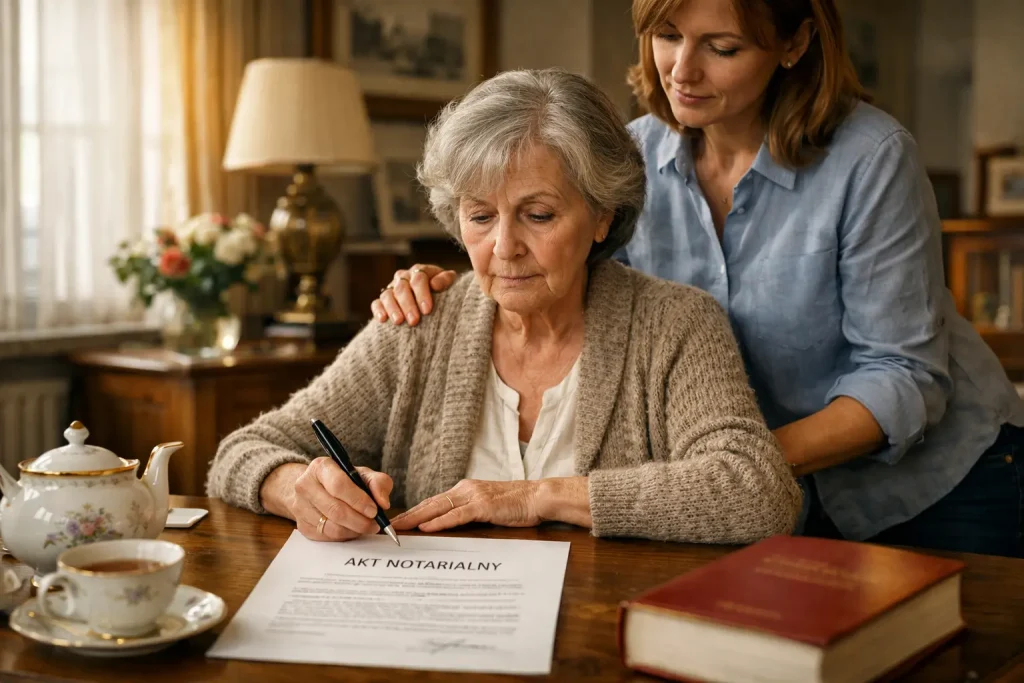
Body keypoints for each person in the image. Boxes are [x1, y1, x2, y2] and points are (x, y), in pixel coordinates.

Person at [370, 0, 1024, 557]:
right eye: (667, 36)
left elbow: (900, 375)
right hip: (757, 492)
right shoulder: (632, 158)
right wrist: (455, 283)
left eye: (723, 46)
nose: (682, 70)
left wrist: (732, 469)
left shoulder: (871, 159)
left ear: (793, 43)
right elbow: (583, 287)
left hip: (936, 487)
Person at [207, 68, 802, 545]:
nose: (504, 248)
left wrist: (539, 496)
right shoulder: (421, 321)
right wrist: (297, 489)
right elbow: (241, 453)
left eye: (539, 215)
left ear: (602, 216)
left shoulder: (675, 324)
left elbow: (757, 491)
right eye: (480, 216)